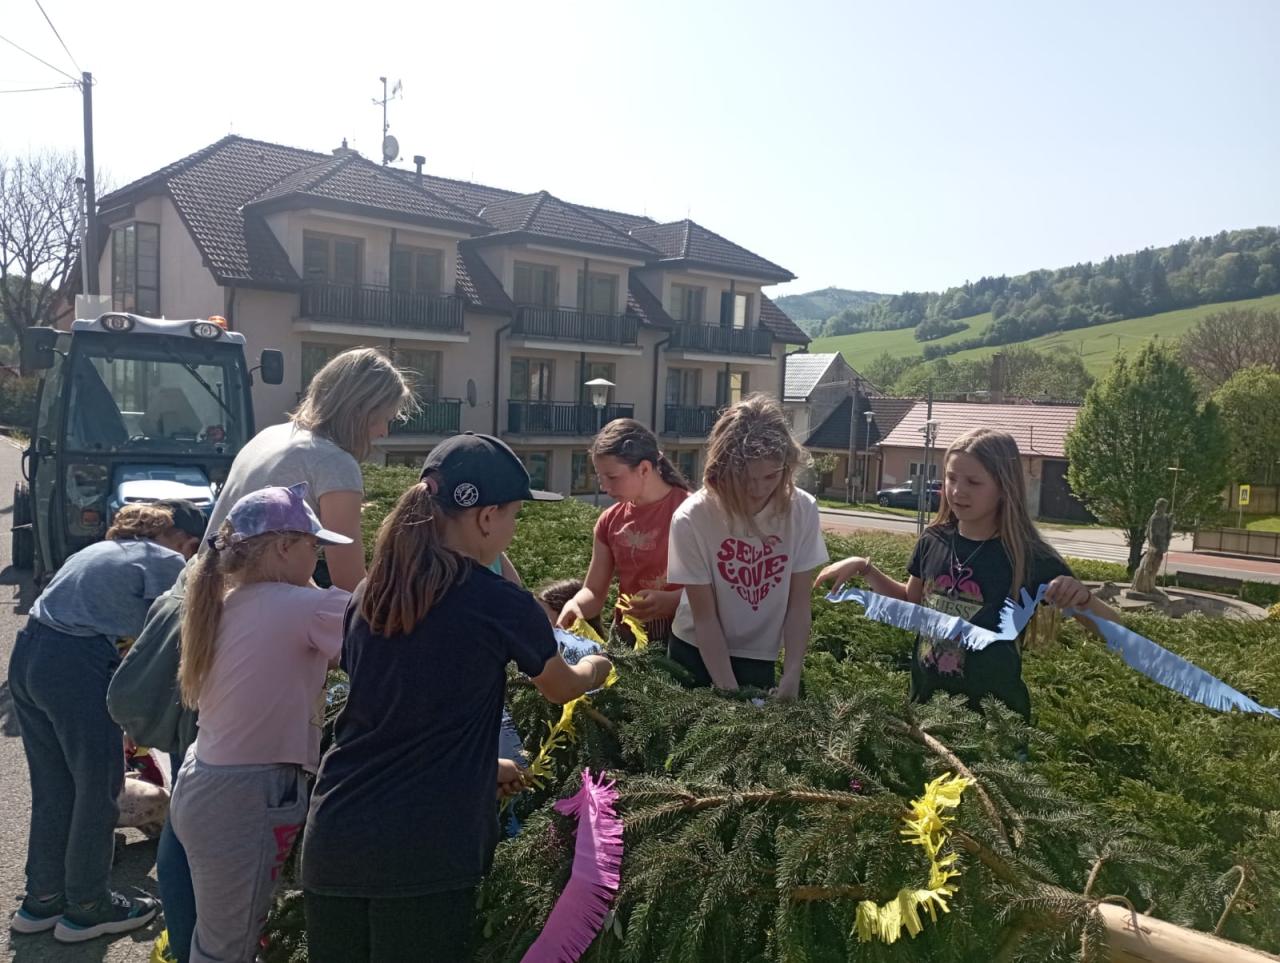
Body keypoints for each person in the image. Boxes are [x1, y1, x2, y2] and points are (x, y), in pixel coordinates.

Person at [302, 433, 613, 963]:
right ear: (486, 517)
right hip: (426, 846)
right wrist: (596, 667)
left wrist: (482, 767)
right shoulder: (499, 602)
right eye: (514, 515)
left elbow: (400, 715)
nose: (513, 529)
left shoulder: (371, 594)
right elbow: (560, 687)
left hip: (337, 832)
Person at [168, 483, 351, 963]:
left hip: (206, 783)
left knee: (219, 941)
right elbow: (386, 632)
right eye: (314, 546)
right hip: (248, 795)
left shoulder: (226, 600)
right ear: (285, 547)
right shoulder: (306, 606)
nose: (319, 558)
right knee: (228, 950)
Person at [814, 427, 1112, 722]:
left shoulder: (1031, 557)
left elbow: (1113, 630)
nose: (958, 490)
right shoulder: (933, 539)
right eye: (951, 478)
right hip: (924, 715)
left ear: (1004, 487)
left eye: (973, 482)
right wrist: (864, 568)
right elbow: (911, 602)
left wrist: (1084, 599)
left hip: (996, 729)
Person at [8, 503, 201, 943]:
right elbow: (171, 639)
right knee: (98, 789)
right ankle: (88, 907)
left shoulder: (99, 552)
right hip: (74, 663)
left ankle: (42, 900)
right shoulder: (167, 561)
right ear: (185, 541)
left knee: (55, 786)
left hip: (29, 656)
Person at [202, 346, 414, 592]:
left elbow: (279, 566)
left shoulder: (269, 435)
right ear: (360, 410)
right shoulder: (335, 462)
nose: (384, 432)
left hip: (203, 596)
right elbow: (350, 583)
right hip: (240, 607)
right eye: (384, 419)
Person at [666, 395, 828, 698]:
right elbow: (705, 617)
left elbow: (798, 604)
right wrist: (731, 694)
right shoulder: (690, 518)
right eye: (745, 478)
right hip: (696, 651)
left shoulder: (803, 510)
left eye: (771, 476)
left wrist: (792, 673)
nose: (758, 489)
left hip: (760, 656)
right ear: (722, 468)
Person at [557, 419, 691, 643]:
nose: (604, 487)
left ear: (644, 469)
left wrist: (672, 601)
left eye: (612, 477)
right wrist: (576, 605)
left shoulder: (691, 512)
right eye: (599, 477)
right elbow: (594, 591)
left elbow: (719, 590)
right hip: (626, 639)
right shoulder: (609, 520)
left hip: (683, 639)